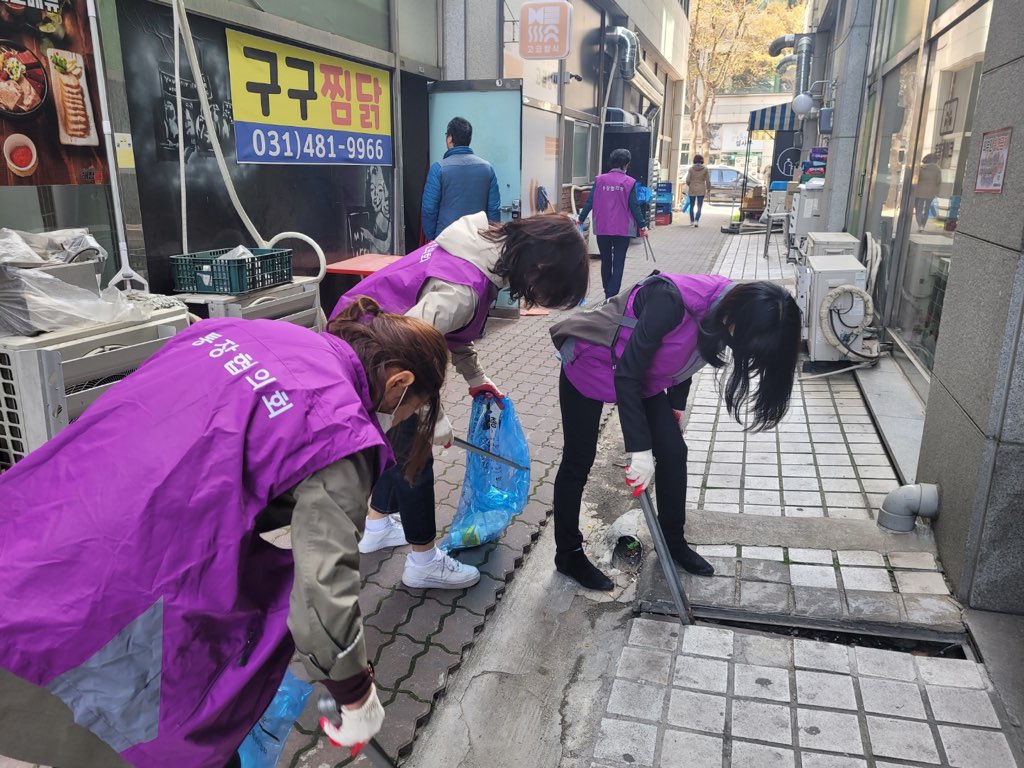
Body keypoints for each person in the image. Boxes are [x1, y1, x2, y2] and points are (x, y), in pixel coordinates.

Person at [0, 299, 449, 767]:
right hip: (122, 578)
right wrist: (356, 694)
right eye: (406, 412)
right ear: (399, 384)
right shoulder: (339, 430)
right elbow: (322, 595)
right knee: (146, 728)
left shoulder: (237, 331)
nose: (394, 422)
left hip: (38, 515)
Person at [330, 212, 590, 589]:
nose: (540, 299)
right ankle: (423, 562)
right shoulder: (464, 290)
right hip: (373, 359)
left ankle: (377, 524)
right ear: (540, 266)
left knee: (399, 447)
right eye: (548, 290)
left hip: (363, 340)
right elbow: (408, 349)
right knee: (416, 456)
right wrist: (432, 421)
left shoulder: (478, 249)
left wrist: (476, 379)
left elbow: (444, 332)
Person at [548, 273, 802, 590]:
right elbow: (626, 375)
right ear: (739, 318)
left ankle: (672, 541)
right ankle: (568, 555)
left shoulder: (730, 309)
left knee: (673, 451)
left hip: (642, 375)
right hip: (591, 361)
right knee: (578, 459)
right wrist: (639, 451)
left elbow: (688, 353)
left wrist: (676, 404)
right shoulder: (669, 300)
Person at [577, 148, 649, 299]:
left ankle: (606, 292)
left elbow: (590, 201)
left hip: (602, 226)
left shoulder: (600, 180)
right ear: (627, 164)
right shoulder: (629, 182)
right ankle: (612, 294)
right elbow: (634, 206)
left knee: (606, 260)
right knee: (618, 262)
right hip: (623, 229)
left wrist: (581, 218)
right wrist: (643, 226)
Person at [422, 116, 501, 241]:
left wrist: (434, 237)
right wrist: (490, 237)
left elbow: (429, 209)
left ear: (450, 139)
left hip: (446, 240)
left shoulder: (438, 169)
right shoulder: (487, 168)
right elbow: (494, 209)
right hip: (478, 239)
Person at [914, 154, 942, 232]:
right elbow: (939, 182)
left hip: (919, 192)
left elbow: (916, 179)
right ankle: (923, 225)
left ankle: (919, 225)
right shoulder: (937, 169)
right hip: (931, 192)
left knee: (919, 209)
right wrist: (937, 192)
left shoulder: (920, 168)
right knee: (927, 209)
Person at [685, 155, 711, 227]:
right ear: (702, 160)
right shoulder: (705, 169)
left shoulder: (691, 169)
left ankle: (692, 221)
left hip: (692, 188)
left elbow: (687, 180)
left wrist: (690, 184)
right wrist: (708, 189)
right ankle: (696, 220)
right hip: (701, 188)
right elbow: (708, 181)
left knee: (692, 205)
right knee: (699, 206)